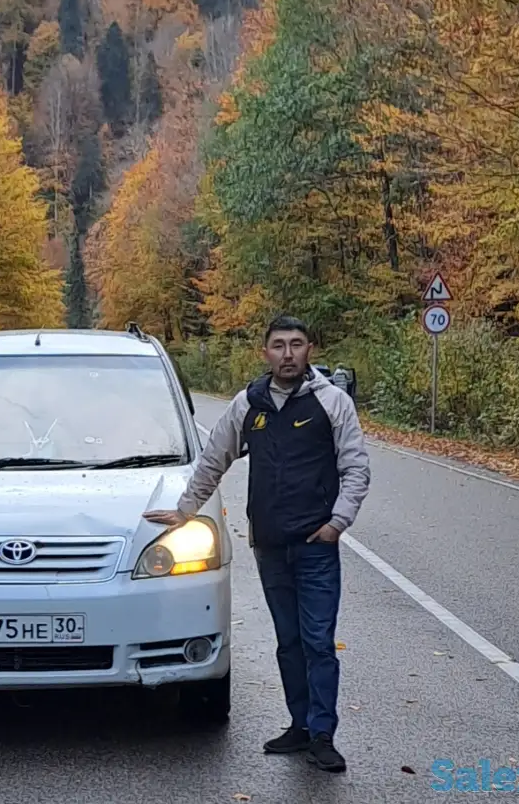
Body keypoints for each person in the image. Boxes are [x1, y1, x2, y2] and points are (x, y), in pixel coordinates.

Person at [144, 315, 370, 773]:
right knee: (288, 642)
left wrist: (336, 524)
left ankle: (323, 734)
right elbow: (214, 460)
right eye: (279, 345)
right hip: (270, 546)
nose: (288, 354)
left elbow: (356, 469)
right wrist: (186, 511)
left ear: (311, 350)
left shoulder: (332, 403)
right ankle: (299, 725)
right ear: (264, 352)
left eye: (297, 344)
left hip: (316, 546)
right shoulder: (249, 404)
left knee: (318, 643)